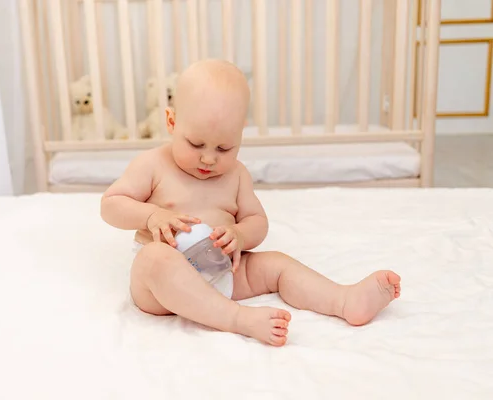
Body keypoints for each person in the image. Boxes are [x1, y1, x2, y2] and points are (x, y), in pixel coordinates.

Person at [100, 59, 401, 346]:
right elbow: (111, 204)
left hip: (223, 272)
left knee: (277, 264)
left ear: (240, 133)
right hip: (163, 289)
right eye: (195, 144)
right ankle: (237, 318)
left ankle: (344, 300)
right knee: (153, 259)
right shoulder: (153, 164)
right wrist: (152, 216)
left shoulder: (237, 175)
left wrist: (240, 236)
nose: (208, 158)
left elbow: (258, 222)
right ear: (172, 121)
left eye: (224, 147)